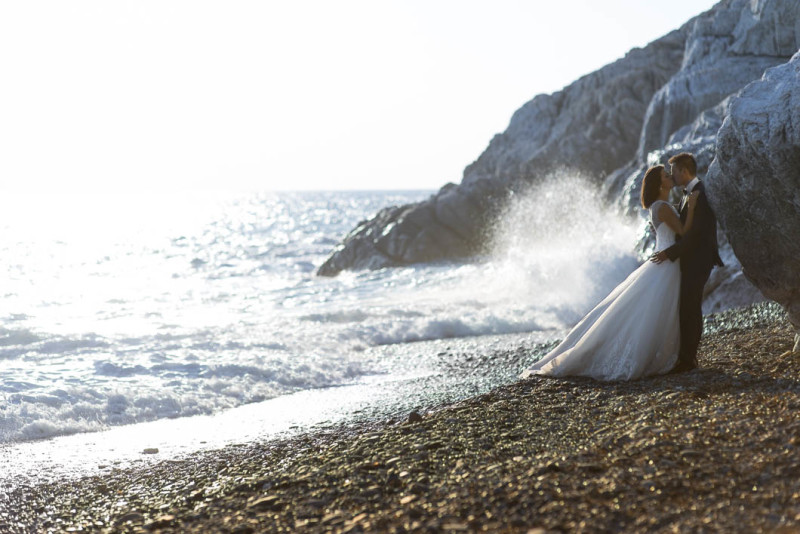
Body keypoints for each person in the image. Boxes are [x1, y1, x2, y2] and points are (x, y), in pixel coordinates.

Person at [520, 165, 698, 381]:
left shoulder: (656, 207)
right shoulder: (663, 208)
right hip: (667, 264)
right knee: (656, 311)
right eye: (666, 176)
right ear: (660, 184)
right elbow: (684, 231)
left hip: (663, 260)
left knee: (647, 311)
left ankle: (665, 355)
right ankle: (657, 356)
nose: (671, 178)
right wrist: (694, 206)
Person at [650, 153, 724, 373]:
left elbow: (695, 235)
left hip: (699, 260)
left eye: (673, 171)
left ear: (683, 171)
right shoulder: (687, 194)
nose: (672, 176)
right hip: (690, 259)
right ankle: (686, 357)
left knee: (690, 308)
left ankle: (688, 360)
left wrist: (669, 253)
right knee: (687, 307)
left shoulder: (699, 192)